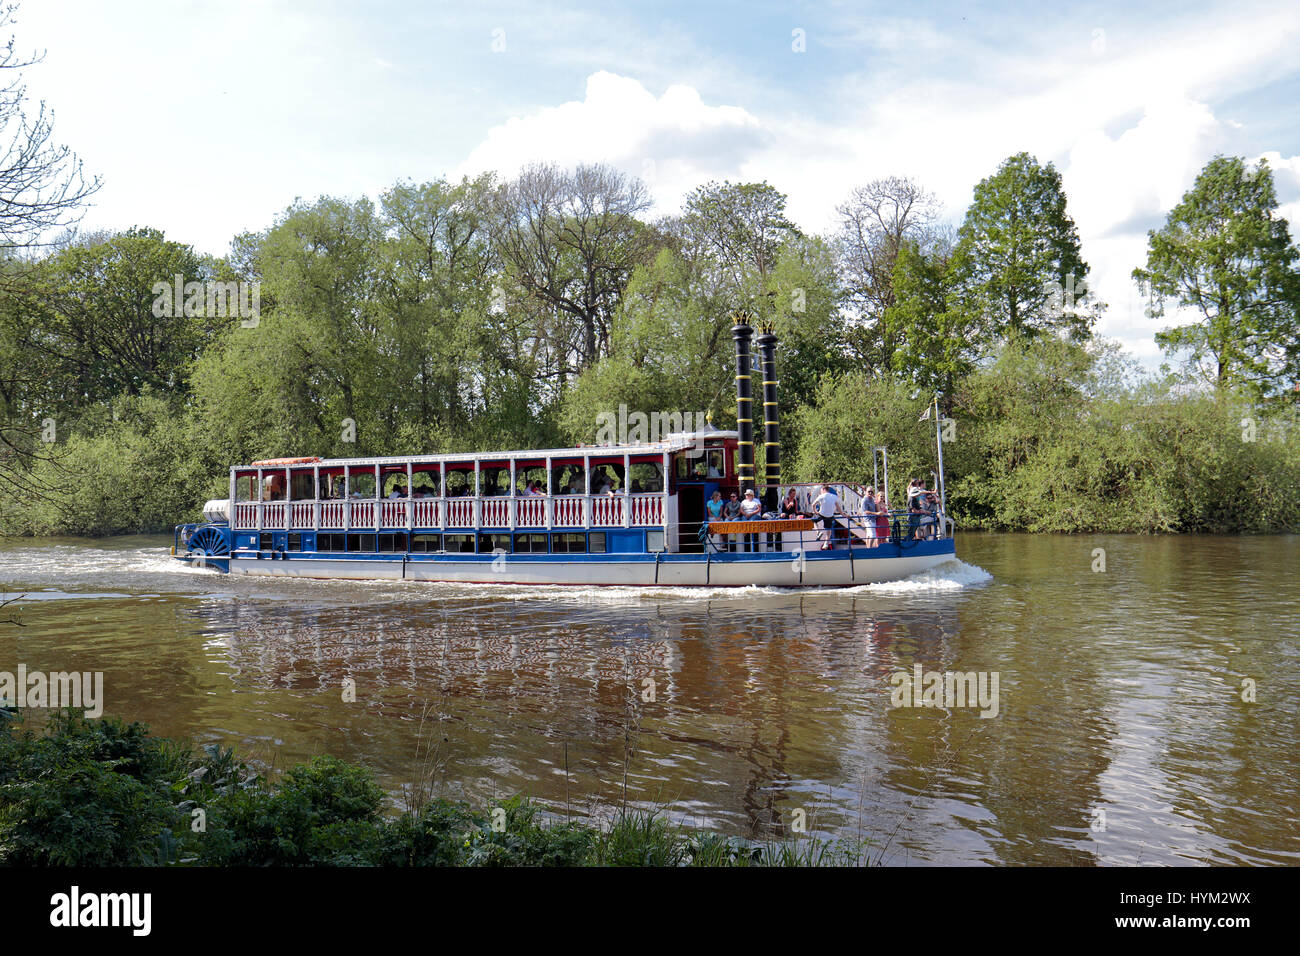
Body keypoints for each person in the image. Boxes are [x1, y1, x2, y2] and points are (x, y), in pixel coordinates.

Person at [811, 484, 841, 550]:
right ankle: (826, 544)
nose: (820, 492)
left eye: (821, 490)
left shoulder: (821, 496)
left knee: (814, 521)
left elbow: (813, 504)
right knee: (828, 530)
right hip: (830, 515)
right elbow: (838, 507)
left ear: (824, 489)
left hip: (821, 514)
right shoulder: (834, 496)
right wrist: (843, 514)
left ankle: (818, 532)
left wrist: (815, 511)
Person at [739, 487, 762, 552]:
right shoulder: (743, 502)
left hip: (754, 514)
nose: (746, 496)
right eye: (746, 495)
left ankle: (748, 532)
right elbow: (741, 510)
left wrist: (751, 514)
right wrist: (745, 514)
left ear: (751, 495)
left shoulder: (756, 500)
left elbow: (759, 509)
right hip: (746, 514)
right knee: (743, 519)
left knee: (752, 521)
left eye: (747, 495)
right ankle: (746, 531)